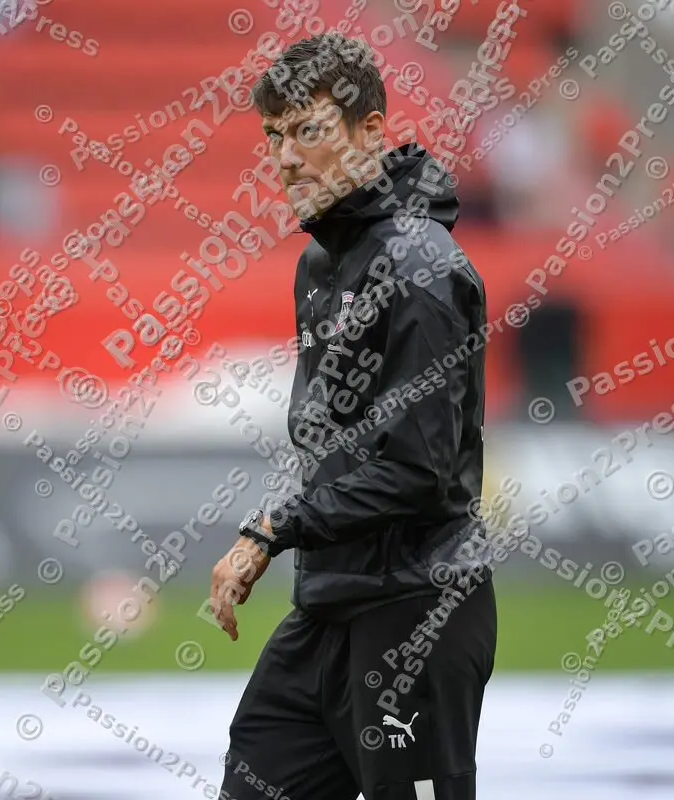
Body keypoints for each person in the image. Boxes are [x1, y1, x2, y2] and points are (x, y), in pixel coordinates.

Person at [208, 34, 497, 800]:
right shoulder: (321, 263)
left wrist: (272, 528)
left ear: (371, 133)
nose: (286, 157)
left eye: (309, 130)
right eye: (274, 136)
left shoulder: (422, 269)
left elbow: (415, 473)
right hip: (329, 605)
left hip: (416, 608)